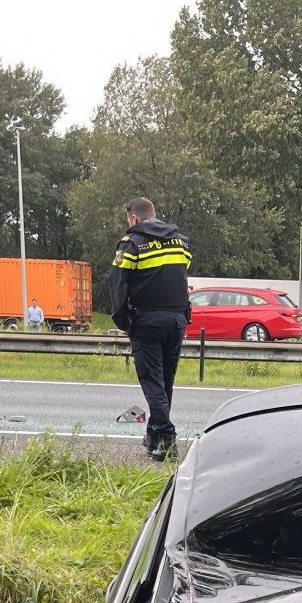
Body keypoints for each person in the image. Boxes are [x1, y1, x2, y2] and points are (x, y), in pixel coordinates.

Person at [109, 197, 193, 461]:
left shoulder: (132, 243)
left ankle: (167, 438)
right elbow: (181, 276)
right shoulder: (180, 242)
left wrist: (122, 321)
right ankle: (154, 435)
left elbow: (118, 284)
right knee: (165, 381)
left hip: (147, 321)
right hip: (176, 320)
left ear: (134, 218)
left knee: (152, 381)